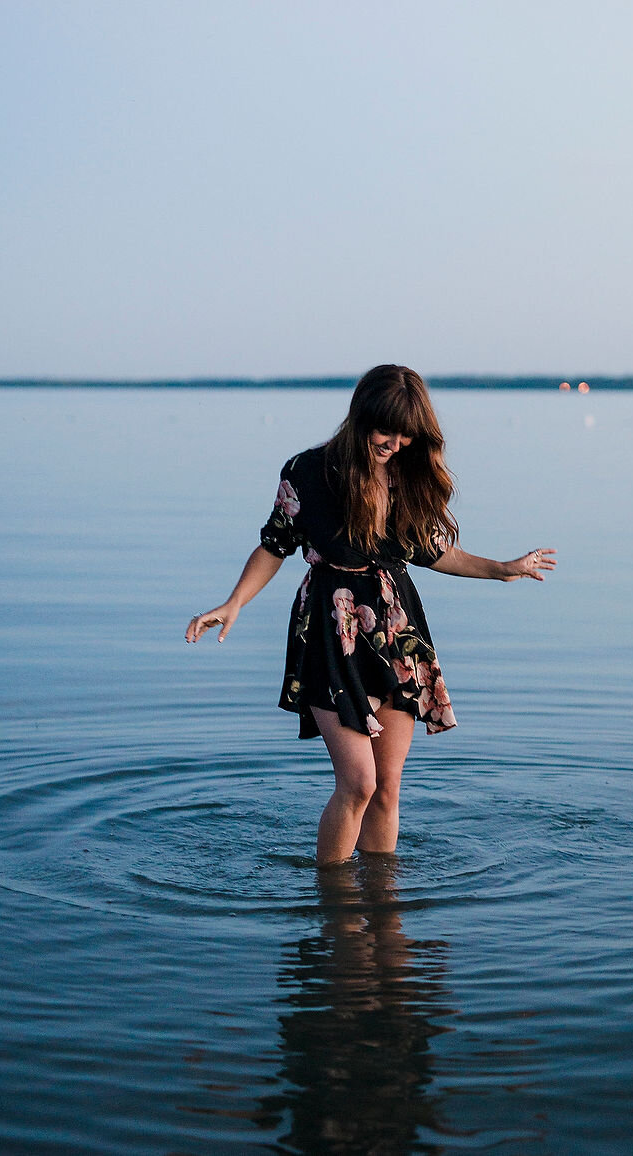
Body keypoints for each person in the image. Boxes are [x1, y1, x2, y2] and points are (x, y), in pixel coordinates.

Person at [185, 364, 556, 865]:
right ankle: (335, 908)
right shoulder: (306, 472)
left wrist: (501, 569)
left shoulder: (406, 476)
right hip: (329, 632)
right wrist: (234, 603)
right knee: (358, 783)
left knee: (385, 790)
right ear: (360, 417)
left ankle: (382, 909)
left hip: (395, 634)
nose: (396, 443)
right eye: (387, 430)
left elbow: (434, 552)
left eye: (407, 434)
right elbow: (274, 544)